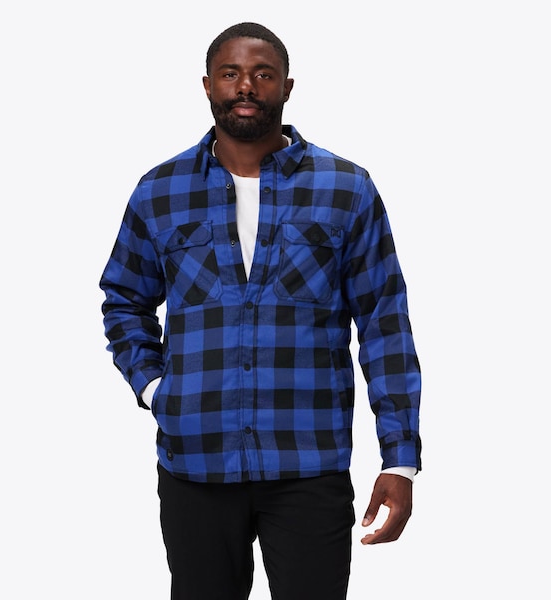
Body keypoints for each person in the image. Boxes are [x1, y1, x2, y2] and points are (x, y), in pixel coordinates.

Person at [100, 22, 422, 600]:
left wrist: (400, 462)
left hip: (309, 464)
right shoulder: (159, 191)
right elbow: (124, 298)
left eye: (262, 74)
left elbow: (384, 323)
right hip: (195, 463)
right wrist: (154, 387)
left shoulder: (346, 189)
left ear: (287, 87)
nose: (246, 86)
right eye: (231, 74)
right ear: (208, 85)